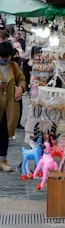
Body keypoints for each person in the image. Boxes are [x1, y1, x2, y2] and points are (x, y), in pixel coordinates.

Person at [0, 41, 26, 171]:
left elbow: (22, 79)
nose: (4, 61)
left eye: (6, 58)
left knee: (5, 132)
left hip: (9, 105)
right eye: (1, 58)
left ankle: (2, 159)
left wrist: (21, 88)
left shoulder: (14, 66)